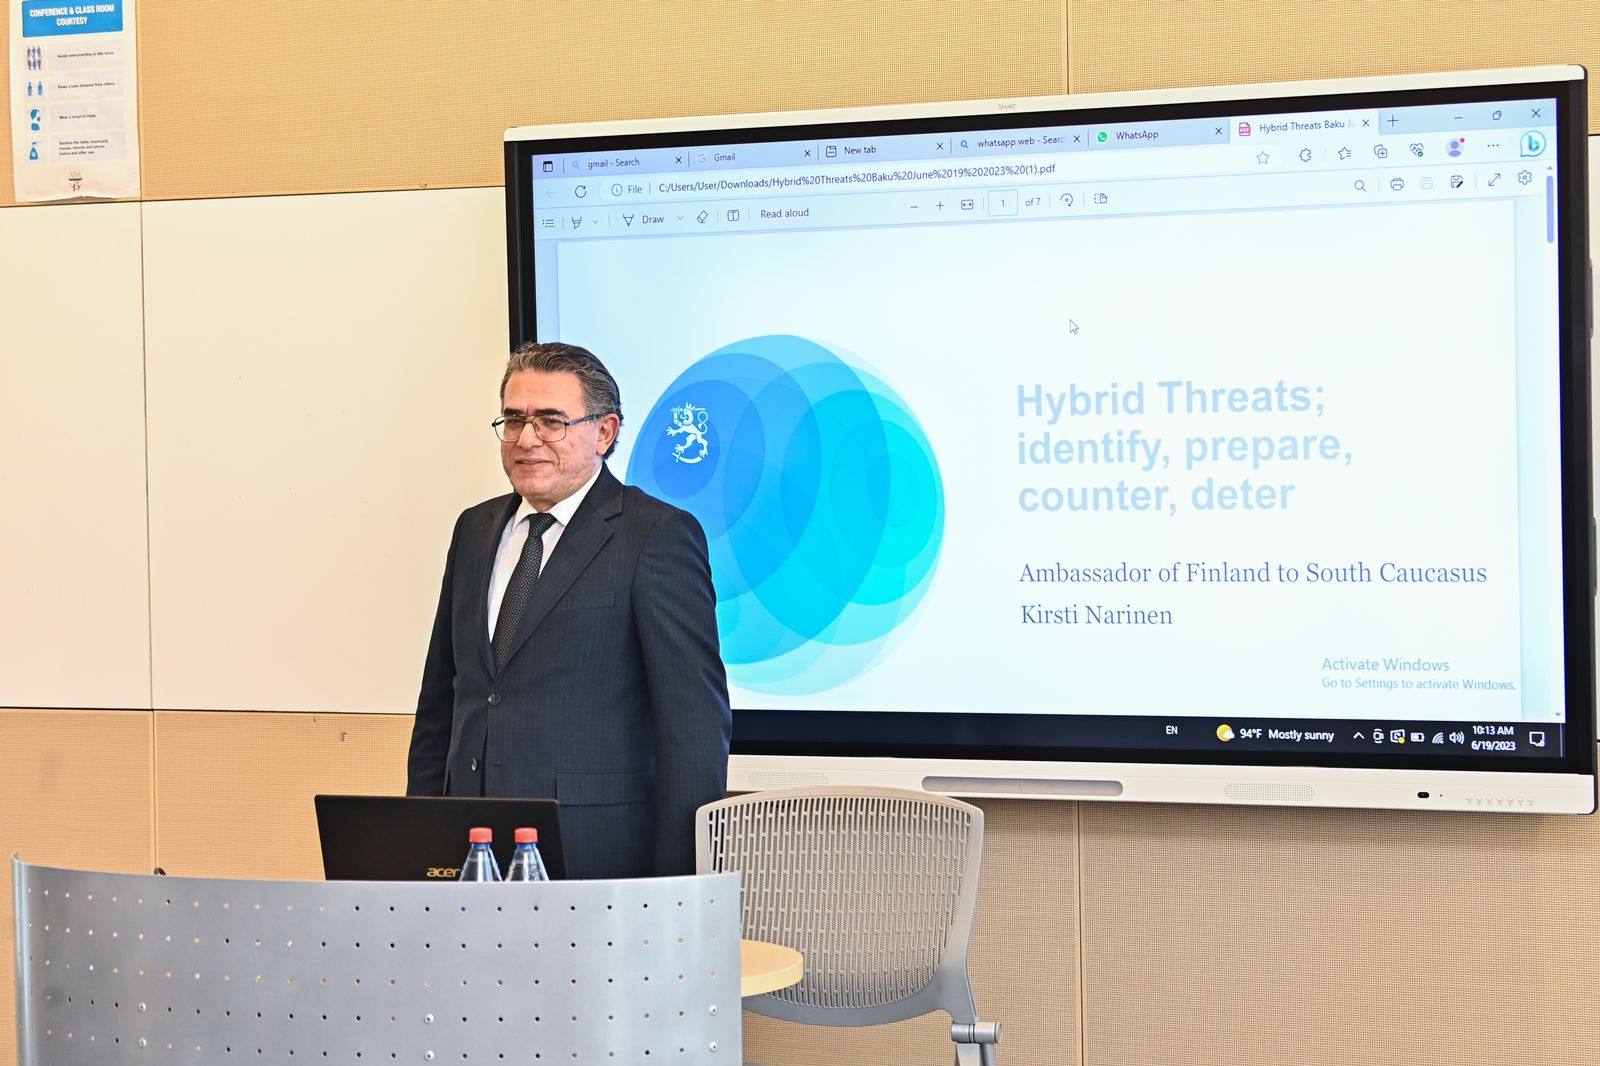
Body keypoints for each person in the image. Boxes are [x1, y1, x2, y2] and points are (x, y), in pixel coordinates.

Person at [406, 341, 731, 878]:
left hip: (595, 853)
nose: (526, 438)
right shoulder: (474, 530)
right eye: (514, 419)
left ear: (604, 432)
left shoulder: (655, 535)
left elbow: (693, 727)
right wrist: (419, 842)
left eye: (551, 421)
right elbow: (441, 702)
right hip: (469, 853)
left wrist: (678, 885)